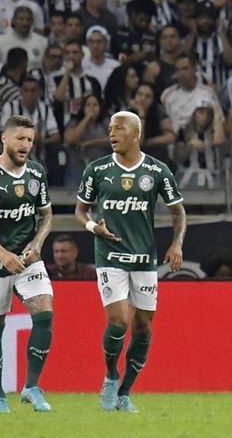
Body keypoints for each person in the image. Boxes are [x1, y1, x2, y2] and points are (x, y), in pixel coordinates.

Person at [75, 110, 186, 413]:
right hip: (109, 256)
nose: (112, 133)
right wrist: (93, 227)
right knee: (118, 321)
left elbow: (178, 211)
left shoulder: (157, 170)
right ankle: (111, 376)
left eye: (119, 128)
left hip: (144, 259)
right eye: (111, 128)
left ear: (136, 134)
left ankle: (125, 393)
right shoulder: (97, 170)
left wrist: (176, 244)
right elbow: (81, 210)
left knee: (143, 328)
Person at [0, 114, 54, 413]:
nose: (26, 145)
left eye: (30, 140)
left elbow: (46, 214)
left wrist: (37, 243)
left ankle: (32, 387)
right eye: (20, 139)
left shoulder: (36, 173)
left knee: (45, 312)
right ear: (4, 138)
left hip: (28, 261)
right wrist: (2, 254)